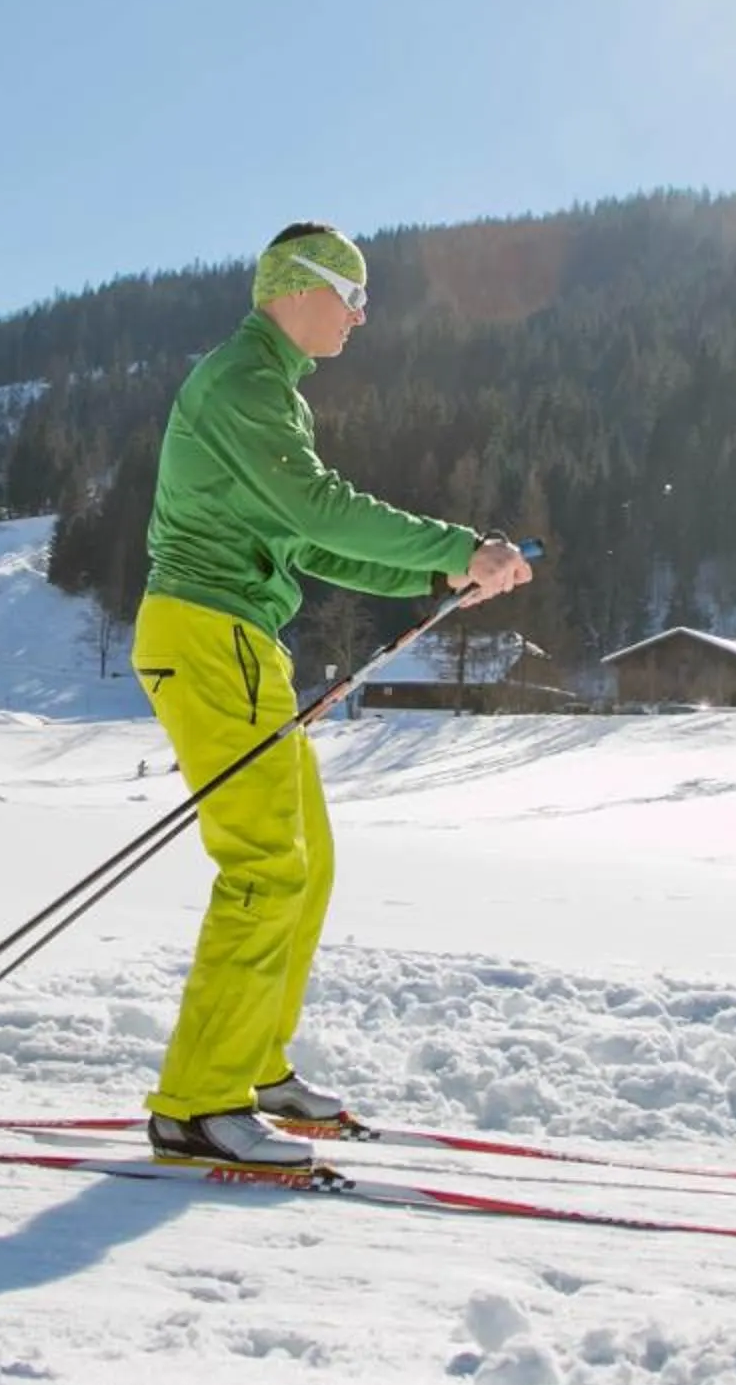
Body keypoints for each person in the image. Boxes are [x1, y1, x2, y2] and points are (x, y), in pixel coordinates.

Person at [133, 223, 534, 1166]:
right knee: (266, 866)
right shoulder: (242, 383)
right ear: (300, 288)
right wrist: (454, 547)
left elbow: (306, 545)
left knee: (305, 864)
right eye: (354, 296)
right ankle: (195, 1105)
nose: (362, 317)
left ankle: (256, 1067)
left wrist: (440, 579)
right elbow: (317, 509)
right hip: (205, 632)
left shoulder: (270, 392)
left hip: (240, 639)